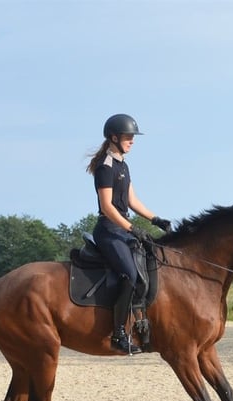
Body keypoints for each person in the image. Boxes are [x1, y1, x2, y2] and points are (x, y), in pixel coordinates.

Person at [86, 113, 172, 354]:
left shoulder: (123, 164)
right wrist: (132, 228)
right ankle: (119, 334)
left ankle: (142, 322)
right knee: (129, 275)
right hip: (109, 230)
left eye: (133, 137)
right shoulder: (106, 166)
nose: (132, 141)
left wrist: (155, 219)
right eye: (128, 137)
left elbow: (131, 200)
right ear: (114, 137)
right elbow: (107, 207)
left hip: (121, 229)